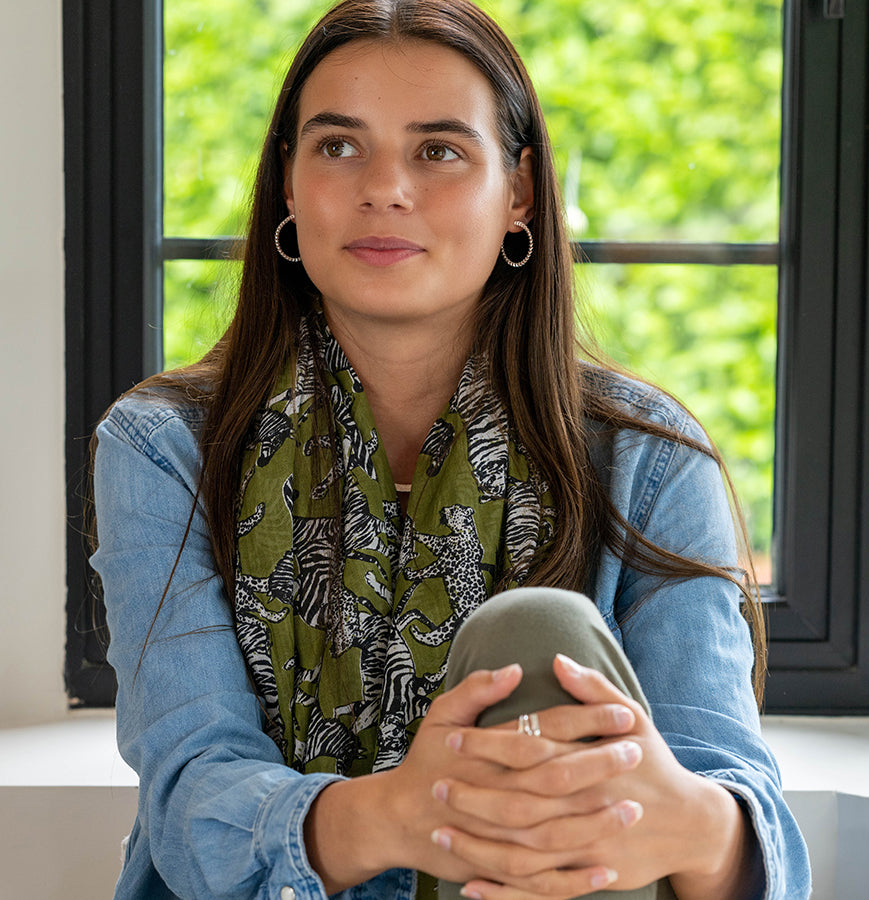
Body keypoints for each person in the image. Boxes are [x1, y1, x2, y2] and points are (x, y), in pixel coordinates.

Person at [89, 1, 812, 898]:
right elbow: (194, 801)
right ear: (287, 183)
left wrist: (687, 824)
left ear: (518, 193)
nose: (384, 188)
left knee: (541, 637)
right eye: (338, 146)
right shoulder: (163, 448)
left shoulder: (650, 458)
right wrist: (403, 813)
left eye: (438, 151)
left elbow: (740, 825)